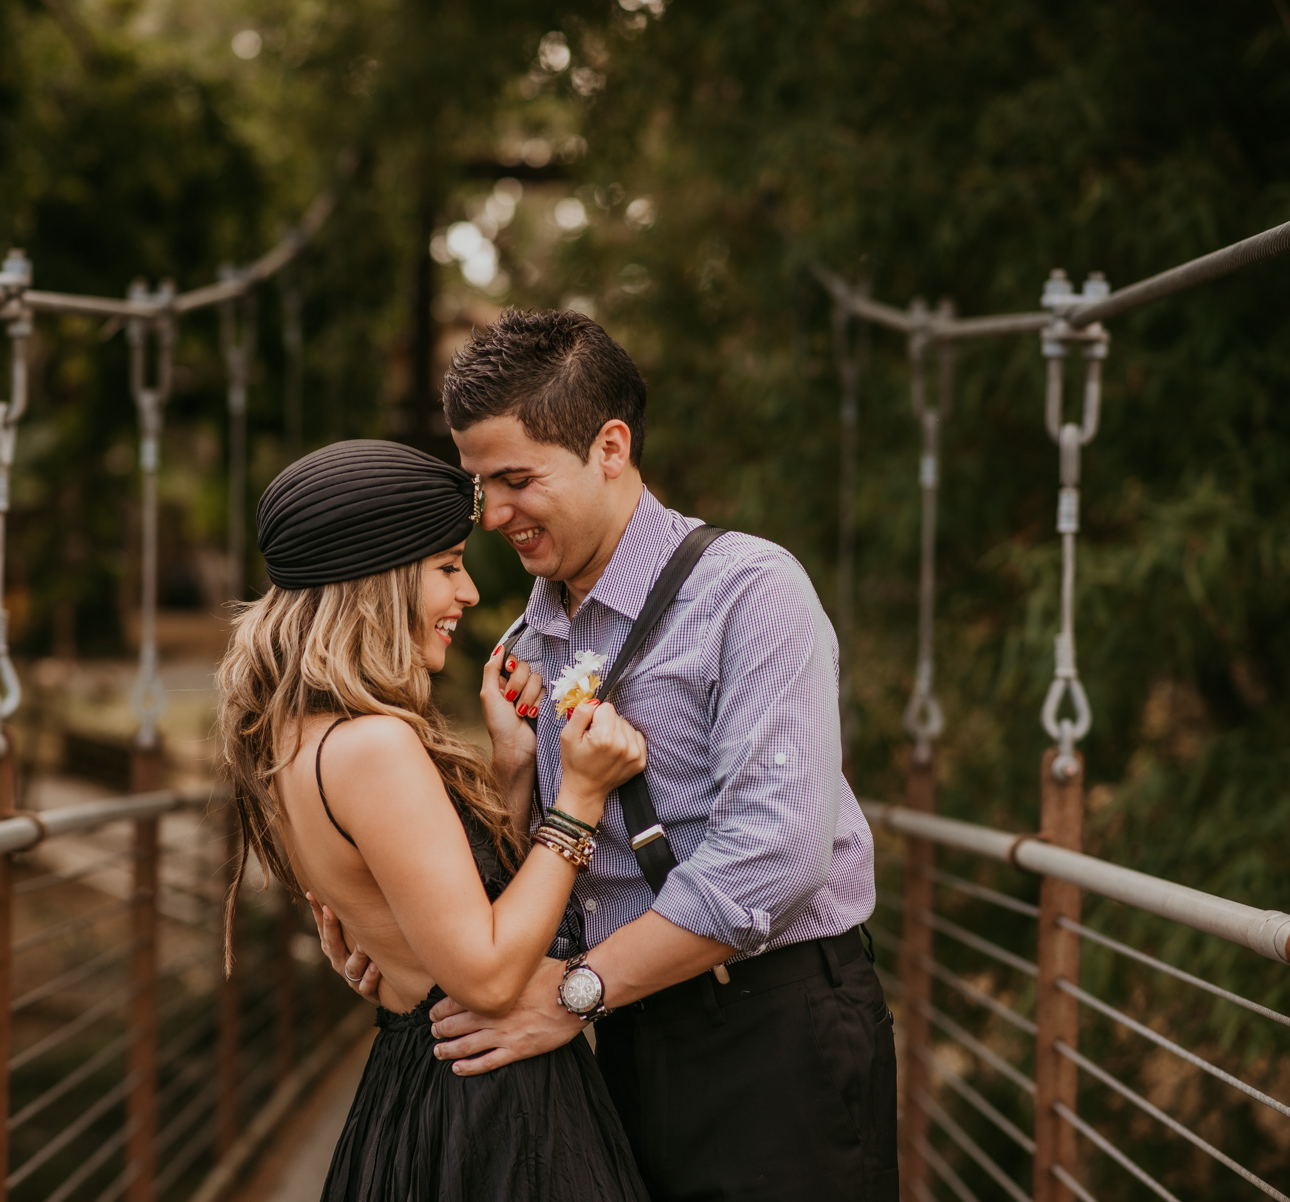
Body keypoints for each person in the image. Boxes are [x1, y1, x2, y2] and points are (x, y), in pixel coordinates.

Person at [318, 311, 895, 1202]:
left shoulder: (750, 592)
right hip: (618, 1036)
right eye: (481, 487)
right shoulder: (525, 640)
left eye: (516, 479)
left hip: (775, 1027)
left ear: (611, 447)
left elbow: (778, 852)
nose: (494, 515)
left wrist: (576, 992)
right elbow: (552, 897)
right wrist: (404, 938)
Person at [217, 438, 652, 1201]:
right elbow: (486, 973)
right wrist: (580, 800)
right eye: (447, 567)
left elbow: (456, 924)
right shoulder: (373, 746)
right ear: (375, 580)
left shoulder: (293, 738)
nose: (469, 594)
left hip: (422, 1088)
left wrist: (514, 769)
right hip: (488, 1111)